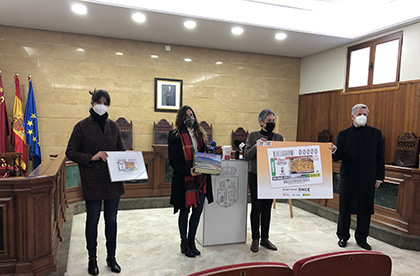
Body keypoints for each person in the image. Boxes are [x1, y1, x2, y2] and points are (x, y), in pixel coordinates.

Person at [66, 89, 124, 275]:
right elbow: (71, 152)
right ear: (92, 104)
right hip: (92, 181)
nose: (102, 105)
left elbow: (121, 151)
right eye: (99, 102)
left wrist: (129, 165)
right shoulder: (81, 127)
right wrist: (92, 157)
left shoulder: (113, 126)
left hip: (113, 182)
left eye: (106, 103)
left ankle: (111, 257)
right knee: (92, 221)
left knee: (112, 221)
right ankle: (92, 259)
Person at [330, 103, 385, 251]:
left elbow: (380, 157)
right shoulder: (343, 134)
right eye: (359, 114)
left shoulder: (376, 134)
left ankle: (362, 238)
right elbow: (338, 156)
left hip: (368, 178)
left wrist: (379, 177)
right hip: (349, 177)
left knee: (365, 210)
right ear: (352, 116)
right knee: (345, 208)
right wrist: (333, 151)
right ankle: (342, 236)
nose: (362, 117)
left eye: (365, 115)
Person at [168, 105, 214, 258]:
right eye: (187, 115)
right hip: (185, 180)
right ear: (181, 117)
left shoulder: (200, 134)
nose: (190, 117)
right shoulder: (174, 135)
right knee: (185, 211)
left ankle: (191, 240)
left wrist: (210, 158)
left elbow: (204, 153)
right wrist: (189, 171)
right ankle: (183, 242)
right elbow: (173, 161)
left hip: (201, 180)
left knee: (198, 211)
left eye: (192, 114)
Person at [243, 108, 283, 253]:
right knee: (256, 207)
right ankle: (255, 238)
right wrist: (256, 146)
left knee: (267, 208)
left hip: (271, 177)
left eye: (273, 121)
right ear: (261, 122)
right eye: (269, 121)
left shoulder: (279, 137)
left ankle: (265, 238)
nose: (271, 123)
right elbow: (246, 155)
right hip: (255, 175)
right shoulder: (253, 136)